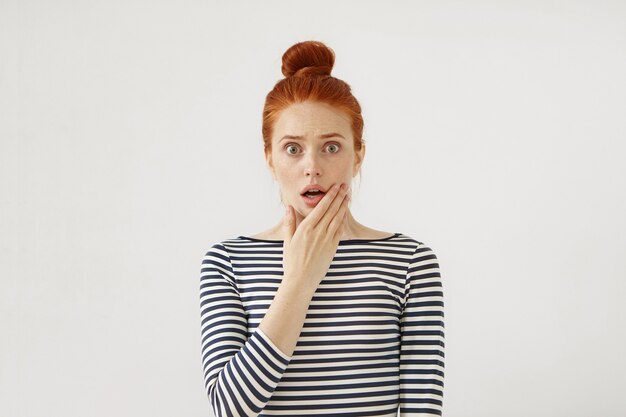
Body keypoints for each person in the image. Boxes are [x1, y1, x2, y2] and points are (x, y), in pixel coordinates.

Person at [199, 40, 445, 417]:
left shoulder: (410, 262)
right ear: (269, 158)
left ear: (357, 155)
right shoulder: (227, 262)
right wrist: (300, 279)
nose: (311, 167)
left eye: (331, 147)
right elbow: (230, 407)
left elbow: (422, 410)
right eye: (293, 149)